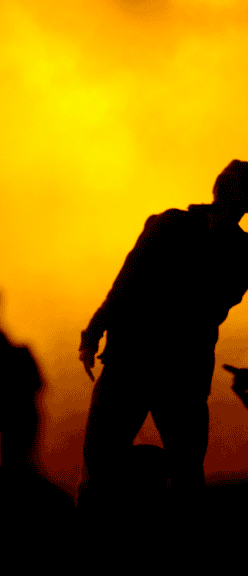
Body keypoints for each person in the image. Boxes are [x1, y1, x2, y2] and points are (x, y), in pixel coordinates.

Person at [78, 160, 248, 497]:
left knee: (185, 470)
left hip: (178, 372)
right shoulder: (169, 224)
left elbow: (218, 302)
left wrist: (96, 331)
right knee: (100, 463)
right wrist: (94, 331)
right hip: (136, 362)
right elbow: (126, 282)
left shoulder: (242, 251)